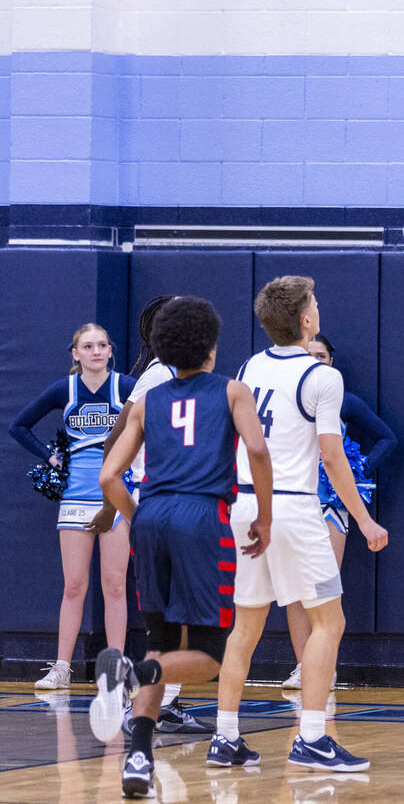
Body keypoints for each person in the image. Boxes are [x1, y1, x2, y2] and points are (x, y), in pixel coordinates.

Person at [86, 296, 274, 799]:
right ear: (211, 346)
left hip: (151, 516)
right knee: (209, 656)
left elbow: (108, 475)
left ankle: (139, 760)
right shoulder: (233, 391)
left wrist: (137, 515)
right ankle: (131, 674)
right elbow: (257, 449)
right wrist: (265, 516)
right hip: (201, 518)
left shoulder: (148, 401)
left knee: (160, 641)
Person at [209, 276, 388, 773]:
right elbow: (332, 456)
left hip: (246, 507)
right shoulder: (322, 377)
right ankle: (312, 737)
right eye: (315, 302)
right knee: (330, 621)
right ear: (306, 320)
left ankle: (225, 737)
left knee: (245, 627)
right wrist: (365, 519)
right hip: (292, 507)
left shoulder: (247, 367)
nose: (318, 308)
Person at [86, 295, 212, 735]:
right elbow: (115, 439)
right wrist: (111, 511)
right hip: (167, 505)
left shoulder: (179, 377)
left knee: (178, 620)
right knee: (193, 628)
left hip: (163, 508)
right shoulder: (161, 374)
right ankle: (138, 691)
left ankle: (154, 704)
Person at [8, 323, 136, 689]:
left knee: (114, 585)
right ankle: (62, 667)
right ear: (75, 353)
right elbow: (19, 426)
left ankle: (116, 669)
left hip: (115, 498)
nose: (96, 351)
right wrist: (49, 456)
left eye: (102, 345)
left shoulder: (125, 387)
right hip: (75, 498)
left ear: (111, 351)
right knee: (74, 585)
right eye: (88, 346)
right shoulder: (63, 389)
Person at [280, 332, 399, 690]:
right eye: (309, 354)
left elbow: (387, 439)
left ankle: (324, 666)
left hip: (330, 505)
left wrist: (357, 468)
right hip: (292, 501)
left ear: (331, 363)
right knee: (294, 592)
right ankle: (304, 666)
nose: (315, 361)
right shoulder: (287, 399)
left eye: (322, 356)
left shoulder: (344, 402)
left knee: (322, 589)